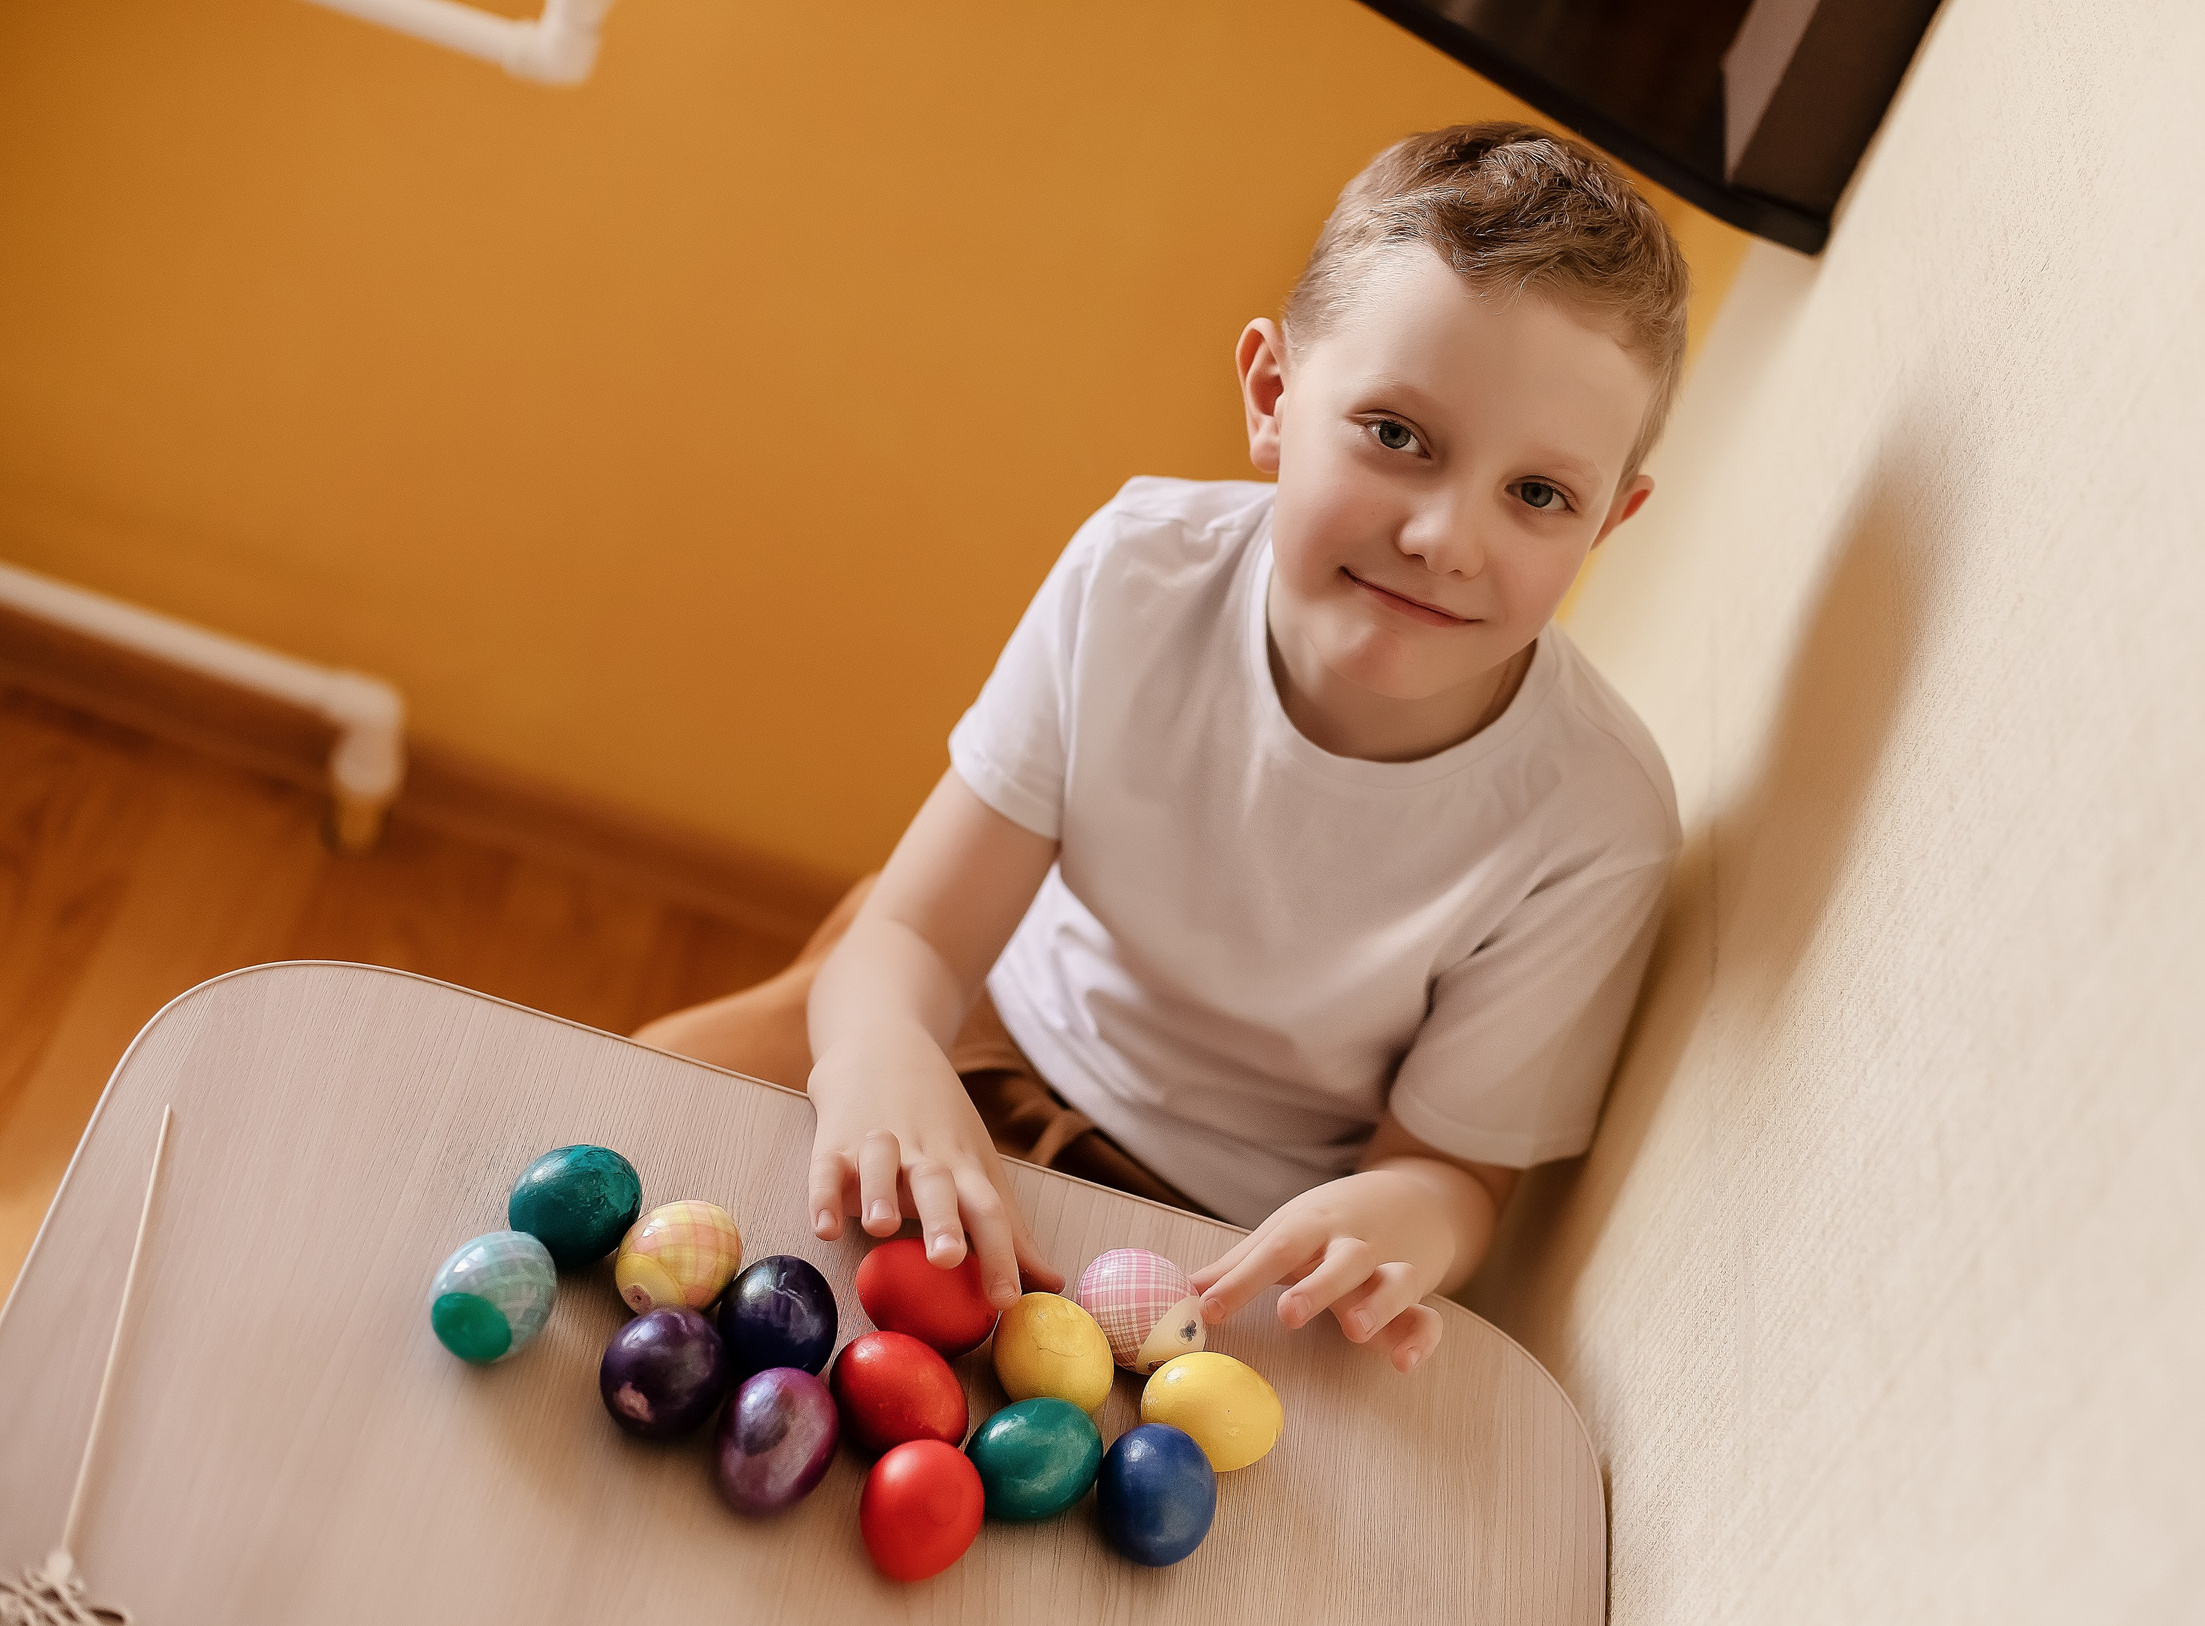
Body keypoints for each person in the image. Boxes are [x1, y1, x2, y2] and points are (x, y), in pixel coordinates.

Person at [635, 121, 1687, 1373]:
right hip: (975, 1027)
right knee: (625, 1138)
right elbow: (908, 937)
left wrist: (1405, 1220)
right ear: (1271, 397)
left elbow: (1450, 1175)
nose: (1444, 539)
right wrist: (880, 1052)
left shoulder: (1593, 819)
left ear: (1610, 520)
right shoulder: (1135, 570)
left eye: (1538, 495)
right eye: (1396, 435)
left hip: (1207, 1229)